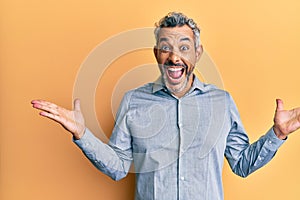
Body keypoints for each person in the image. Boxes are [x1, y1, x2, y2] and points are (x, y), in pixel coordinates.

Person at [31, 12, 300, 200]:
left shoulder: (222, 102)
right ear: (156, 54)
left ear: (198, 53)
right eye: (165, 47)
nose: (174, 57)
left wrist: (277, 135)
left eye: (184, 47)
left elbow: (242, 164)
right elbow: (118, 167)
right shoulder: (134, 101)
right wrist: (82, 134)